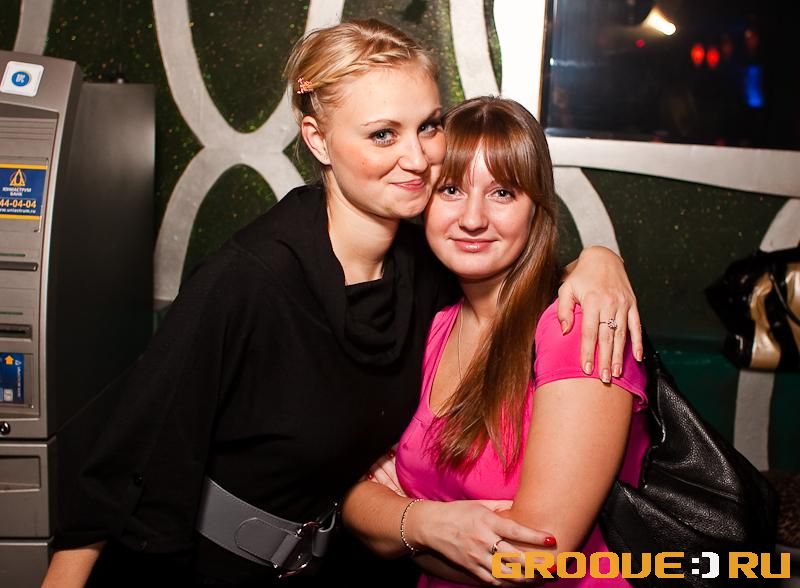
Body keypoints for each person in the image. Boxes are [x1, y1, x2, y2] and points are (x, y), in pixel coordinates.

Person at [43, 21, 641, 588]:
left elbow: (514, 266)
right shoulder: (250, 277)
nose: (417, 158)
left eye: (428, 127)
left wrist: (598, 262)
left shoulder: (424, 274)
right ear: (318, 139)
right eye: (383, 134)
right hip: (204, 569)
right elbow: (128, 457)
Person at [342, 96, 650, 587]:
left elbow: (530, 559)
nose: (472, 218)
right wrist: (426, 524)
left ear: (536, 209)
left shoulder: (577, 327)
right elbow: (348, 494)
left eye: (503, 192)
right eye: (451, 190)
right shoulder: (432, 326)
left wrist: (404, 521)